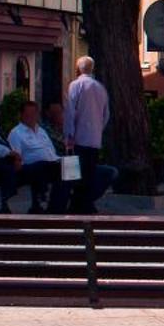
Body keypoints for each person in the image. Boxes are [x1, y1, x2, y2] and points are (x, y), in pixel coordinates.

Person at [63, 55, 111, 214]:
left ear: (78, 69)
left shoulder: (76, 85)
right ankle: (86, 203)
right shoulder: (100, 88)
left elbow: (70, 112)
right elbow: (106, 114)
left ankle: (76, 203)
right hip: (94, 138)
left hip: (78, 138)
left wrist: (69, 134)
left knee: (75, 174)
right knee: (89, 172)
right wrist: (98, 129)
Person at [7, 100, 66, 213]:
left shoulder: (41, 131)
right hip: (30, 168)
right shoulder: (16, 133)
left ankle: (68, 204)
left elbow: (52, 152)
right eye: (28, 114)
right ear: (21, 115)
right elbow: (17, 158)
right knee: (45, 166)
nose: (32, 117)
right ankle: (49, 206)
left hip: (52, 163)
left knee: (75, 167)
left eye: (34, 113)